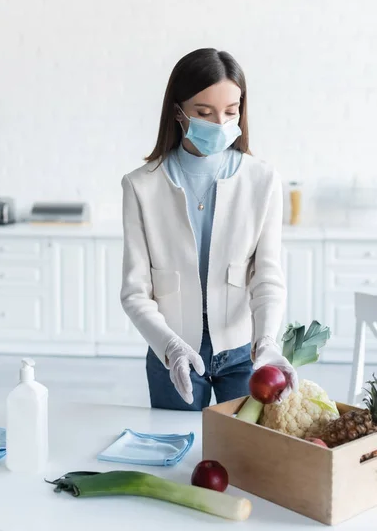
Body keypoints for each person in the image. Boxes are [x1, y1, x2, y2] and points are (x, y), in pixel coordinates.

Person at [120, 47, 298, 411]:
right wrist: (170, 347)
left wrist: (266, 341)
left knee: (245, 457)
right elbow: (136, 292)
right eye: (204, 113)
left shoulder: (262, 181)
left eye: (230, 112)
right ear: (178, 112)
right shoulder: (141, 186)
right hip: (173, 352)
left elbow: (267, 277)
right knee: (177, 455)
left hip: (243, 353)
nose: (219, 124)